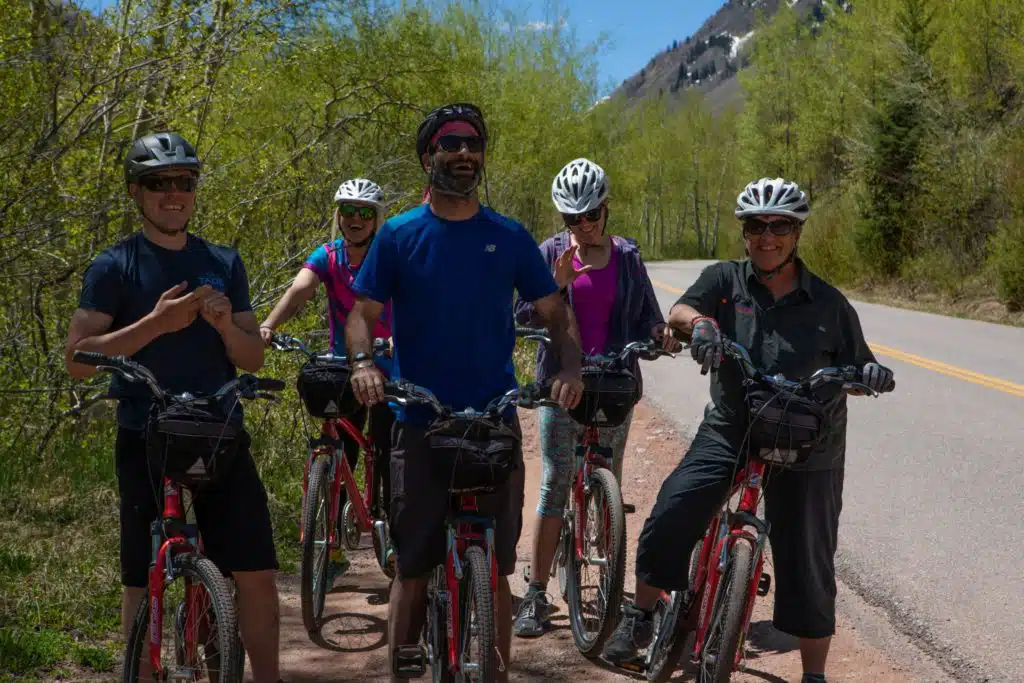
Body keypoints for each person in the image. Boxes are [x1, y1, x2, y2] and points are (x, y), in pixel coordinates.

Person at [600, 177, 896, 683]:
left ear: (796, 232)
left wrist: (871, 375)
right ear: (745, 233)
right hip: (734, 425)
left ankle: (814, 675)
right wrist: (703, 326)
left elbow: (860, 366)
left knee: (809, 559)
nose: (767, 237)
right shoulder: (726, 281)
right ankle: (640, 615)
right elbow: (680, 311)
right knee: (675, 504)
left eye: (779, 226)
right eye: (756, 227)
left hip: (810, 442)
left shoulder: (829, 304)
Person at [344, 102, 585, 683]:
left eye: (472, 143)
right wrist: (363, 362)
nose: (463, 153)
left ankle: (494, 674)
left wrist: (570, 367)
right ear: (428, 157)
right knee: (413, 565)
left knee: (497, 568)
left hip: (493, 417)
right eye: (449, 143)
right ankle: (403, 667)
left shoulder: (507, 236)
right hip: (420, 419)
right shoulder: (400, 235)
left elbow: (556, 313)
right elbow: (362, 313)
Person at [64, 133, 284, 683]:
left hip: (218, 430)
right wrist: (156, 324)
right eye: (158, 184)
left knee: (255, 572)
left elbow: (252, 356)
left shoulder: (222, 261)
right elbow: (78, 360)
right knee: (142, 578)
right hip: (144, 431)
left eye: (183, 182)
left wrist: (222, 325)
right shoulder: (115, 266)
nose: (173, 194)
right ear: (136, 193)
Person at [511, 157, 681, 638]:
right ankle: (538, 593)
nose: (583, 226)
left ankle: (606, 570)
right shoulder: (548, 254)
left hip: (613, 384)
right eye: (573, 218)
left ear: (607, 209)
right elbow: (522, 318)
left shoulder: (626, 256)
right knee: (555, 482)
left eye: (591, 215)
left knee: (609, 477)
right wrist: (557, 284)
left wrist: (661, 333)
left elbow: (649, 314)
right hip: (561, 388)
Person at [259, 177, 394, 580]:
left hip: (390, 366)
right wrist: (267, 327)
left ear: (376, 219)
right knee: (340, 446)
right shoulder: (329, 255)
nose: (355, 219)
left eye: (364, 212)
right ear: (338, 215)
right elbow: (300, 290)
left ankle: (391, 529)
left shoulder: (389, 257)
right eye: (348, 211)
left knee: (388, 450)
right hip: (342, 365)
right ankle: (331, 547)